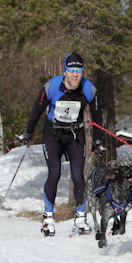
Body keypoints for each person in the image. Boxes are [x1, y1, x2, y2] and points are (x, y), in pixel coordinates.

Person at [17, 53, 104, 237]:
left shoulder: (89, 88)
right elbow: (36, 110)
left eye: (79, 70)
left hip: (75, 134)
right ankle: (48, 218)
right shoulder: (52, 86)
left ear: (83, 72)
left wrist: (97, 140)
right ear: (64, 71)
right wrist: (28, 133)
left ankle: (81, 218)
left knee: (77, 175)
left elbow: (97, 116)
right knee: (54, 171)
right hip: (53, 134)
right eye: (71, 70)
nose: (75, 74)